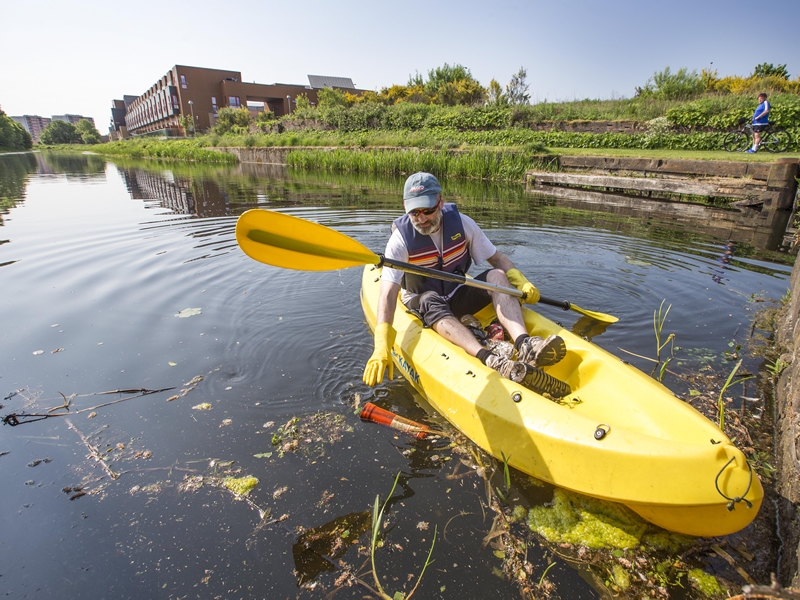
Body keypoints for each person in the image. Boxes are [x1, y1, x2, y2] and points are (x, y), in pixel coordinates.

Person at [362, 172, 570, 397]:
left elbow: (497, 258)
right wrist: (382, 342)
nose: (422, 219)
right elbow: (387, 294)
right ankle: (490, 359)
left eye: (428, 210)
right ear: (405, 207)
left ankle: (526, 344)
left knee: (497, 276)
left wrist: (521, 281)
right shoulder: (400, 240)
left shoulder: (463, 224)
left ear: (440, 201)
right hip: (422, 301)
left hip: (455, 292)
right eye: (414, 212)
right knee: (430, 298)